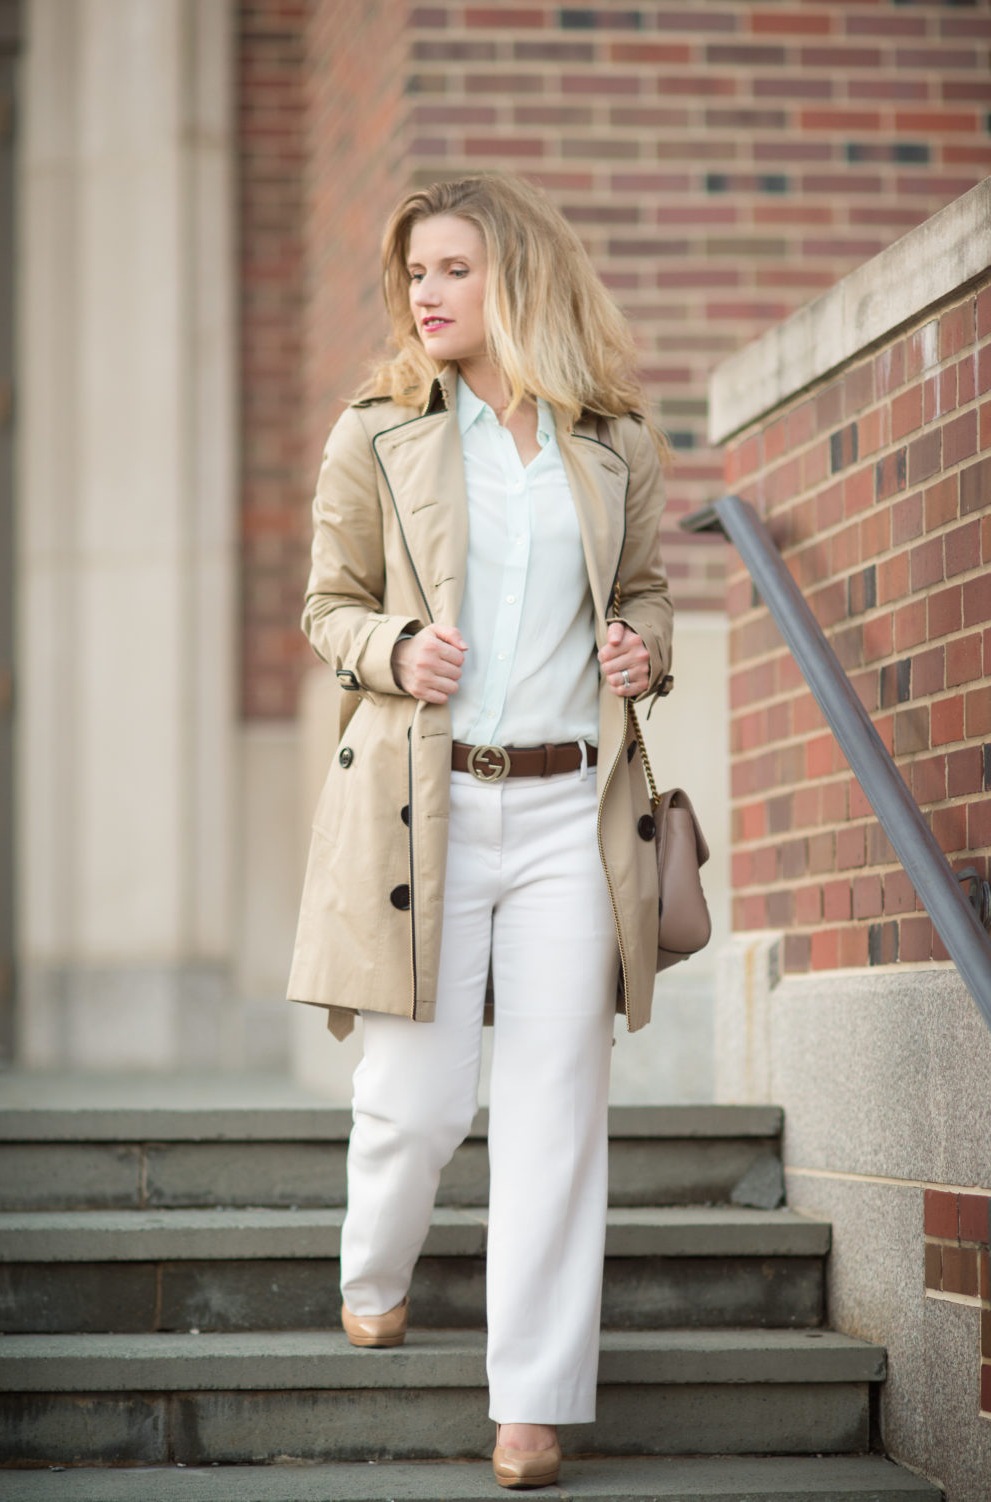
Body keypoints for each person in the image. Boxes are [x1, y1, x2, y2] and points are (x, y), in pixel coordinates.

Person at [287, 172, 673, 1490]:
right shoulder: (379, 432)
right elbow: (328, 606)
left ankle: (534, 1402)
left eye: (453, 267)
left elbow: (646, 592)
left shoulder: (612, 437)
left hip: (573, 808)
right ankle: (374, 1271)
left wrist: (644, 648)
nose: (427, 293)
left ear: (520, 277)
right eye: (415, 272)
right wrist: (396, 648)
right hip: (427, 809)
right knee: (417, 1098)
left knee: (556, 1107)